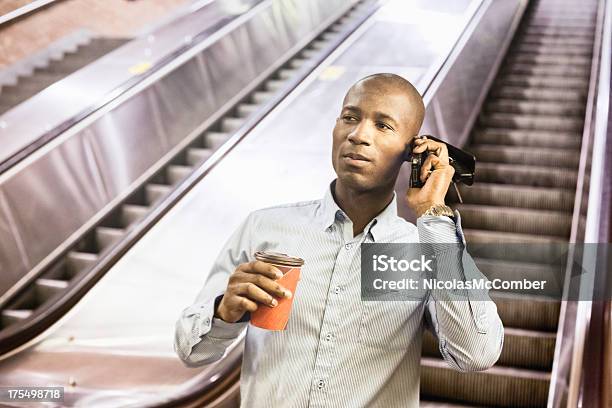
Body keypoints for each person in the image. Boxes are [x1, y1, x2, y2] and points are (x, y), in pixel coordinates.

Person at [174, 73, 504, 407]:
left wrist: (433, 215)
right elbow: (192, 350)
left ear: (413, 151)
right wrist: (224, 312)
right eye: (350, 118)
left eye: (383, 126)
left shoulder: (424, 252)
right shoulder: (265, 229)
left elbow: (476, 353)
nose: (359, 135)